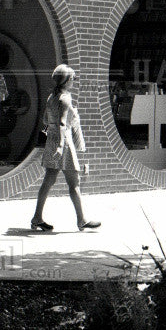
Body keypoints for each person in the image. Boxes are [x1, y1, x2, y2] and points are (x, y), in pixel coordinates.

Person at [30, 64, 100, 231]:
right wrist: (61, 146)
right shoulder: (65, 98)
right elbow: (62, 123)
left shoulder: (51, 97)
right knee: (74, 182)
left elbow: (46, 121)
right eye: (73, 79)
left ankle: (37, 218)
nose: (74, 81)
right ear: (67, 80)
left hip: (52, 140)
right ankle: (82, 220)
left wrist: (53, 141)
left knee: (48, 180)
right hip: (64, 143)